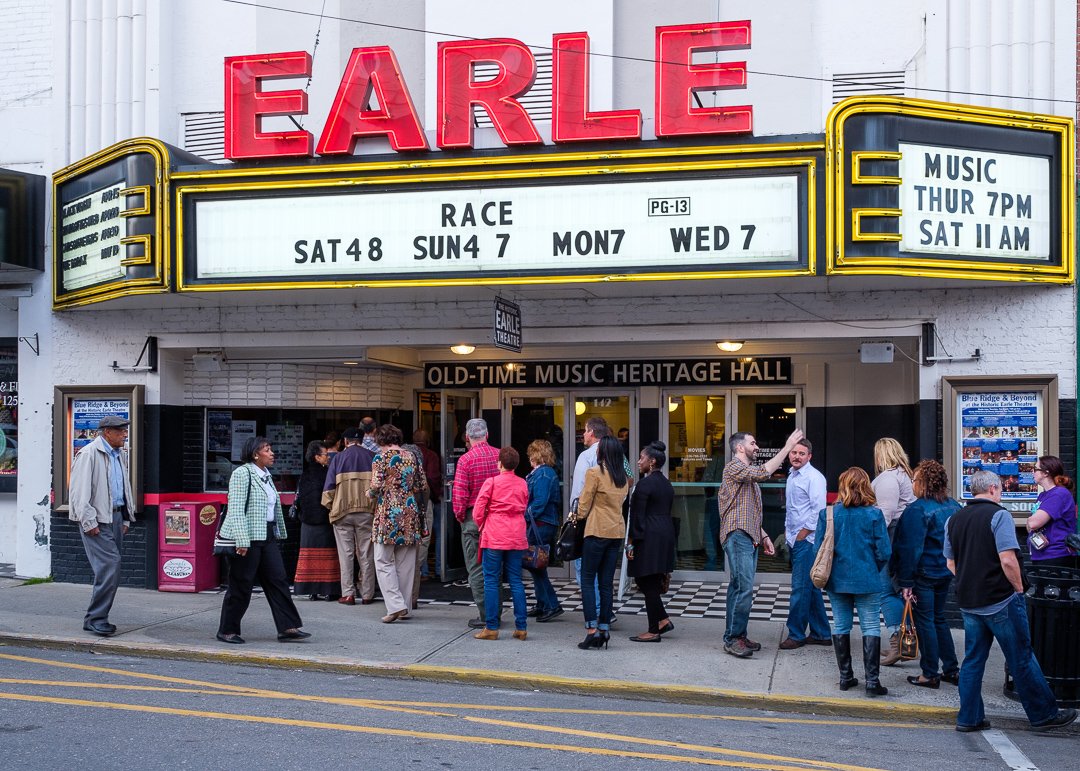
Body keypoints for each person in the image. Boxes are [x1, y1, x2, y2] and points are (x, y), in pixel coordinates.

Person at [945, 469, 1077, 732]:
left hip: (970, 602)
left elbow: (951, 563)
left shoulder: (954, 519)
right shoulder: (999, 515)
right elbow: (1007, 559)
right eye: (1001, 489)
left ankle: (968, 718)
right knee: (1022, 658)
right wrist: (1017, 589)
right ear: (993, 489)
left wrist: (970, 579)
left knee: (972, 660)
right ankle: (1044, 715)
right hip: (1001, 600)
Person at [717, 428, 804, 658]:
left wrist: (763, 535)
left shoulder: (745, 474)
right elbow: (764, 472)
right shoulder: (734, 466)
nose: (757, 447)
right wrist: (787, 448)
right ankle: (733, 639)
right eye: (753, 443)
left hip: (747, 534)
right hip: (737, 534)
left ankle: (737, 635)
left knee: (739, 587)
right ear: (739, 447)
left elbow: (748, 511)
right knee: (743, 587)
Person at [217, 436, 310, 644]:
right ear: (255, 454)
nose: (272, 453)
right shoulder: (242, 473)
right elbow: (236, 510)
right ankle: (227, 630)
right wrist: (242, 540)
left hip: (266, 536)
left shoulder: (266, 475)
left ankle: (287, 627)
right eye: (267, 450)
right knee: (241, 584)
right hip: (247, 537)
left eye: (271, 449)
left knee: (278, 580)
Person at [817, 467, 892, 696]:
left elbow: (818, 549)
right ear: (865, 486)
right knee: (870, 626)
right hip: (867, 578)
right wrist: (873, 568)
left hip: (837, 580)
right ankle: (872, 683)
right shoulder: (874, 515)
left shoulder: (828, 514)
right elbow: (884, 552)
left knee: (841, 625)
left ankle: (845, 677)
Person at [894, 459, 961, 688]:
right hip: (946, 571)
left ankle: (930, 673)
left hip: (924, 574)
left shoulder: (917, 510)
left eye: (914, 480)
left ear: (922, 482)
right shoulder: (954, 505)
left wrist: (905, 582)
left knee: (926, 622)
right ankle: (951, 670)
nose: (912, 483)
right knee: (939, 618)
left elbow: (910, 549)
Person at [68, 415, 137, 636]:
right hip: (97, 520)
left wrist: (126, 517)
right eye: (120, 431)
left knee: (109, 570)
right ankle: (96, 618)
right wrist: (88, 521)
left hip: (115, 517)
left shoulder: (119, 455)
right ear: (107, 432)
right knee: (110, 567)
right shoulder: (89, 454)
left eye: (125, 430)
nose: (125, 434)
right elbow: (79, 492)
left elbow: (123, 489)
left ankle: (96, 617)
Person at [367, 424, 428, 623]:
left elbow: (375, 486)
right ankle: (405, 607)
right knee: (407, 563)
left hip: (388, 510)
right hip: (409, 509)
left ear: (381, 440)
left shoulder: (380, 457)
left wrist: (369, 493)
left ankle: (395, 605)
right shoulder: (412, 456)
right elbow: (421, 485)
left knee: (382, 560)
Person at [575, 435, 631, 650]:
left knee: (588, 581)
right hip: (616, 531)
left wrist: (576, 516)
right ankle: (604, 628)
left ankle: (591, 629)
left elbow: (584, 505)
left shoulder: (594, 473)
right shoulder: (622, 478)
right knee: (606, 583)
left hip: (596, 530)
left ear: (602, 453)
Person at [472, 446, 530, 640]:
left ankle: (491, 627)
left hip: (495, 533)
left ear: (499, 463)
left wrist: (482, 525)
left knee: (491, 580)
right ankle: (521, 627)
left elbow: (478, 511)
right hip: (516, 534)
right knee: (516, 580)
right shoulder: (523, 483)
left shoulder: (492, 482)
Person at [778, 437, 831, 650]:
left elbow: (818, 510)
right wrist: (789, 532)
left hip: (807, 540)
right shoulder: (792, 475)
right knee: (810, 588)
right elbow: (792, 507)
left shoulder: (814, 477)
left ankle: (797, 634)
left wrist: (802, 534)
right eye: (794, 453)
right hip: (795, 538)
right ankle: (821, 633)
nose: (796, 457)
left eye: (801, 454)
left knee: (800, 588)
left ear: (809, 456)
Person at [452, 418, 501, 629]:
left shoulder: (465, 460)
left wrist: (461, 517)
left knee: (476, 568)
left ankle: (485, 615)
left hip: (474, 519)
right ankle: (496, 612)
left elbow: (459, 495)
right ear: (487, 435)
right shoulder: (500, 455)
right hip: (497, 518)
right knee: (495, 568)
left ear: (467, 437)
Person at [871, 437, 915, 666]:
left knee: (884, 590)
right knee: (899, 589)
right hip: (903, 535)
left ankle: (899, 643)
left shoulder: (888, 478)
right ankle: (908, 644)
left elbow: (885, 515)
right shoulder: (903, 475)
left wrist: (873, 542)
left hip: (891, 535)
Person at [626, 441, 676, 643]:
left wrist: (630, 542)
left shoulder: (644, 485)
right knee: (652, 581)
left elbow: (637, 516)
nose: (639, 462)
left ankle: (653, 630)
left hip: (648, 534)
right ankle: (663, 620)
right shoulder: (666, 483)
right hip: (665, 532)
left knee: (645, 581)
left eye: (641, 458)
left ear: (652, 461)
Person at [322, 427, 377, 605]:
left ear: (345, 441)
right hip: (367, 512)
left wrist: (331, 507)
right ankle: (367, 594)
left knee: (345, 554)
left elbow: (329, 488)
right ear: (361, 439)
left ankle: (348, 594)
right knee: (366, 554)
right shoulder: (372, 457)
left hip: (342, 512)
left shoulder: (338, 458)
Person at [292, 440, 340, 601]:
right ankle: (328, 589)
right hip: (324, 522)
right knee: (328, 557)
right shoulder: (326, 474)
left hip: (307, 523)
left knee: (308, 557)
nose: (328, 458)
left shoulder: (304, 475)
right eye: (325, 455)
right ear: (316, 457)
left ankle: (311, 590)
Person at [524, 439, 563, 622]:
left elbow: (539, 502)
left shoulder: (543, 474)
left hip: (540, 524)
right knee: (536, 566)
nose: (529, 457)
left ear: (536, 454)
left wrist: (523, 516)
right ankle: (542, 604)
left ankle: (551, 605)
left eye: (531, 454)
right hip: (544, 523)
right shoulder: (544, 473)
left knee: (537, 566)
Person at [1025, 455, 1078, 569]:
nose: (1032, 472)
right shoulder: (1043, 495)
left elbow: (1034, 523)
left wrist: (1031, 521)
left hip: (1055, 556)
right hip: (1041, 554)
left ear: (1045, 473)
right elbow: (1030, 527)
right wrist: (1031, 521)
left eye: (1035, 469)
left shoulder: (1059, 494)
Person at [413, 428, 443, 579]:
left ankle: (421, 570)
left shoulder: (407, 454)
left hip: (409, 502)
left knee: (415, 536)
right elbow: (433, 477)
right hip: (427, 500)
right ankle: (438, 568)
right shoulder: (431, 455)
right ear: (428, 440)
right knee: (431, 534)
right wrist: (437, 496)